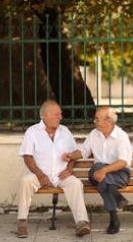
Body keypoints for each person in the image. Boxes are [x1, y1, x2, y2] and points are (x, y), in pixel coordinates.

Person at [16, 100, 90, 238]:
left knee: (75, 183)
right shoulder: (32, 132)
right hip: (38, 174)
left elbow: (73, 154)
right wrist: (40, 175)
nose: (60, 117)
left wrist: (69, 170)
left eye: (60, 114)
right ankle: (22, 221)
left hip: (60, 175)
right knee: (25, 181)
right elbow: (27, 157)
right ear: (44, 115)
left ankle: (81, 222)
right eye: (56, 115)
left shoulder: (65, 131)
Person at [62, 107, 133, 234]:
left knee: (103, 180)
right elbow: (84, 151)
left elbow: (123, 162)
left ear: (108, 121)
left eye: (97, 119)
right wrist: (71, 156)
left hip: (120, 173)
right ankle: (116, 195)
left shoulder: (121, 136)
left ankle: (114, 218)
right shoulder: (94, 134)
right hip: (96, 173)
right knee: (98, 167)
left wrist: (104, 171)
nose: (94, 121)